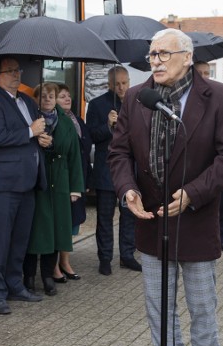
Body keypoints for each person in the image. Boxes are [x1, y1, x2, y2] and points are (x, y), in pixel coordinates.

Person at [108, 28, 223, 346]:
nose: (155, 61)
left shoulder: (217, 96)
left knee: (202, 309)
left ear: (187, 57)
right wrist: (127, 189)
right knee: (159, 308)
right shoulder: (137, 97)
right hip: (152, 222)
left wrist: (194, 193)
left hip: (197, 220)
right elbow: (118, 152)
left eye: (164, 54)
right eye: (151, 54)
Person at [0, 57, 51, 315]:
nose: (15, 75)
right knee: (0, 241)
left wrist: (41, 137)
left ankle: (15, 285)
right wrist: (31, 132)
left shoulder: (28, 101)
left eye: (17, 70)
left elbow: (34, 132)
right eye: (8, 71)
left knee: (20, 240)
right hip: (3, 185)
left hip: (27, 182)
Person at [23, 83, 84, 296]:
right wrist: (37, 141)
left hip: (60, 181)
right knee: (36, 232)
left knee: (57, 231)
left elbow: (75, 157)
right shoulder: (30, 120)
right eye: (43, 96)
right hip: (38, 181)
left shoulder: (66, 123)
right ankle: (28, 277)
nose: (47, 99)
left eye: (51, 96)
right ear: (37, 99)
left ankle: (48, 276)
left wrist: (76, 188)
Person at [86, 65, 140, 274]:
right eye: (116, 84)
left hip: (130, 170)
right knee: (105, 217)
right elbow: (92, 135)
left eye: (124, 83)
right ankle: (105, 258)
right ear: (109, 84)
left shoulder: (136, 102)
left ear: (129, 81)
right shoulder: (97, 105)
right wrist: (108, 125)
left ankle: (127, 255)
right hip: (106, 169)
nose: (121, 87)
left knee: (129, 215)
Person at [194, 61, 223, 253]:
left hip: (218, 163)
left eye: (207, 73)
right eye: (200, 73)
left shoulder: (220, 96)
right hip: (198, 165)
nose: (204, 77)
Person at [55, 84, 91, 280]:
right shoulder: (56, 120)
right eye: (62, 96)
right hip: (64, 178)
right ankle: (58, 265)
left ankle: (65, 260)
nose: (67, 99)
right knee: (62, 220)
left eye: (68, 95)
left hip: (79, 176)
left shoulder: (77, 119)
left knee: (72, 222)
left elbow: (85, 149)